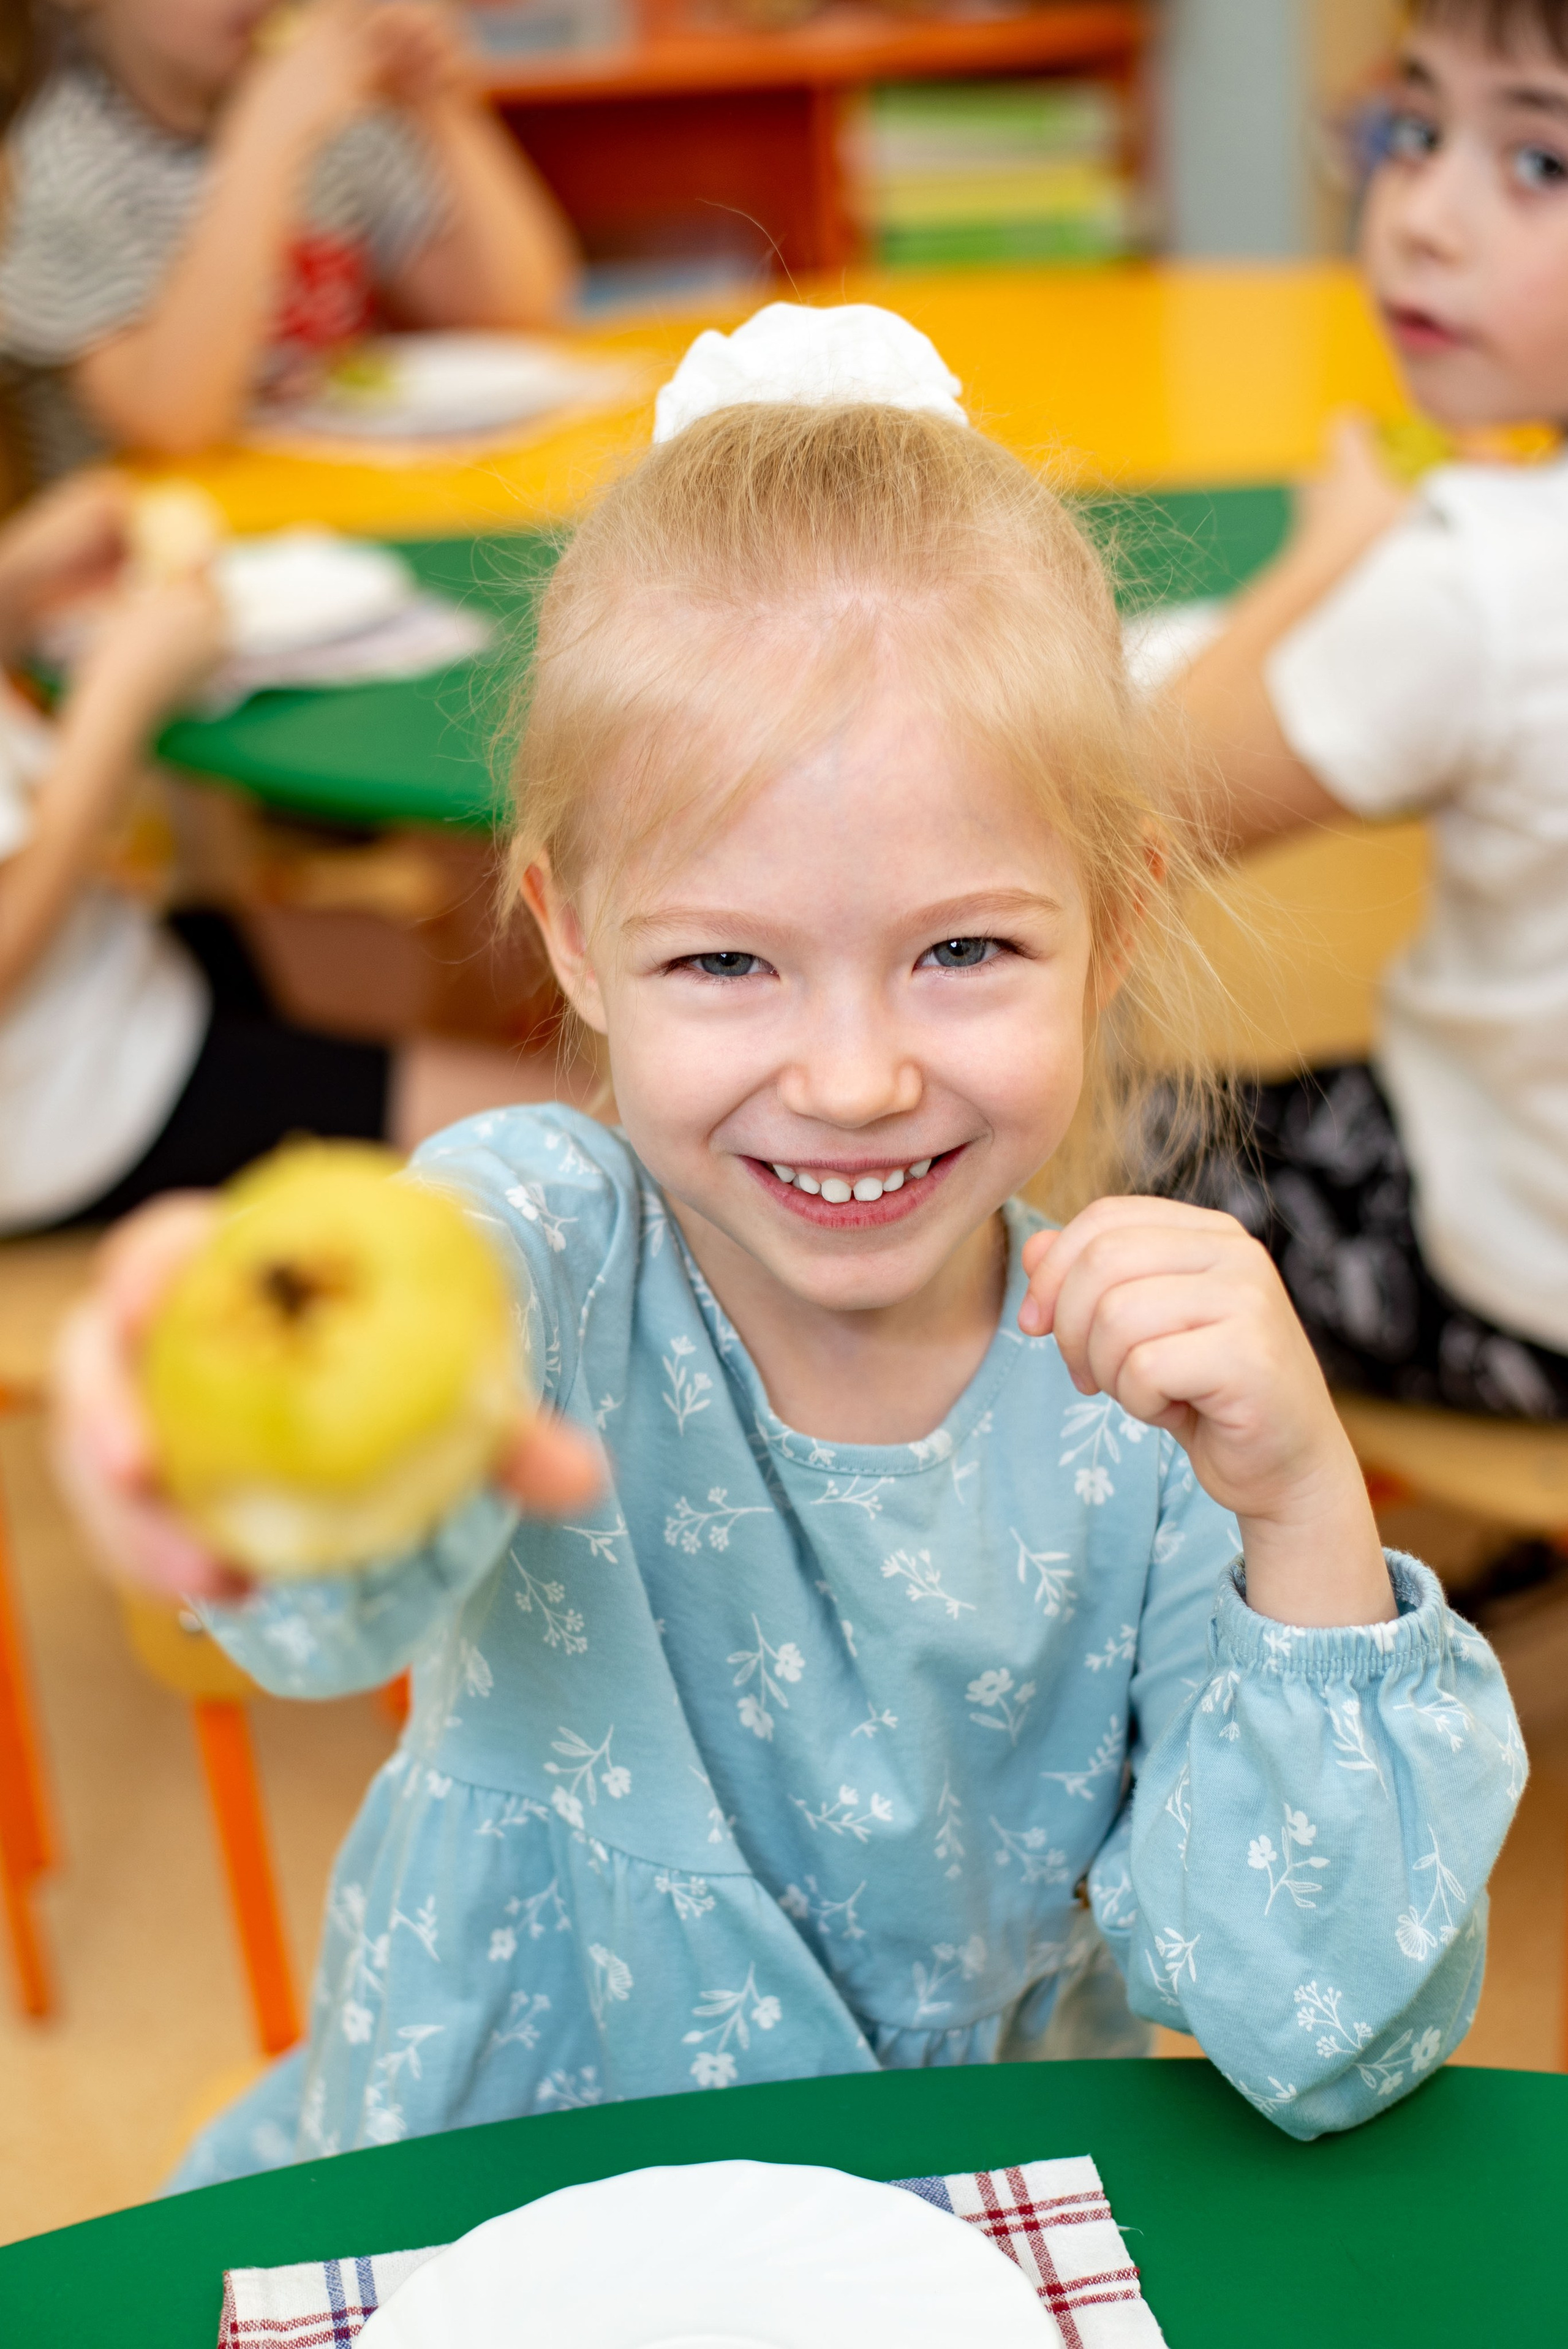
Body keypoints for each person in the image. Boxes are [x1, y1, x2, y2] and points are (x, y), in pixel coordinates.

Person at [54, 304, 1523, 2188]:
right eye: (725, 962)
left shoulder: (1141, 1414)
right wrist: (234, 1437)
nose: (850, 1077)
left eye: (964, 949)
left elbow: (1319, 2033)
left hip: (935, 2249)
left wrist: (1307, 1512)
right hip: (503, 2218)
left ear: (1119, 914)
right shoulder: (541, 1242)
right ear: (574, 942)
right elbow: (331, 1584)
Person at [1166, 0, 1568, 1420]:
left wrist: (1327, 550)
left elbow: (1129, 810)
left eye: (1537, 165)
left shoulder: (1485, 577)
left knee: (1051, 1151)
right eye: (1413, 129)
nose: (1416, 219)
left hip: (1506, 1276)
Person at [0, 469, 546, 1233]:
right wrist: (116, 701)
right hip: (85, 1108)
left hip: (114, 975)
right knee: (574, 1134)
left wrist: (17, 582)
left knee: (445, 959)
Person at [0, 0, 578, 481]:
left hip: (337, 513)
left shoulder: (331, 118)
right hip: (146, 560)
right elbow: (174, 426)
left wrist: (437, 98)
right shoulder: (43, 167)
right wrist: (266, 137)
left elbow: (516, 311)